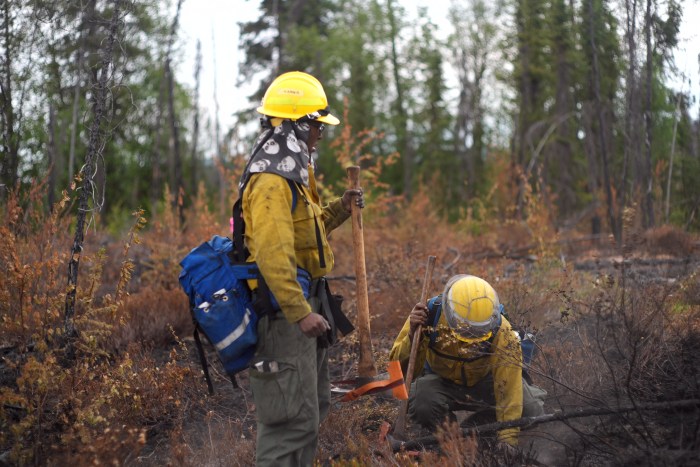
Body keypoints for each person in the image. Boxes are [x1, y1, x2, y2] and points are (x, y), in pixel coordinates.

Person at [238, 71, 363, 467]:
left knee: (310, 413)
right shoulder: (272, 181)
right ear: (296, 124)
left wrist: (341, 208)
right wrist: (299, 312)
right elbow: (274, 256)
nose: (321, 134)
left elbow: (303, 237)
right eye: (316, 125)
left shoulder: (292, 173)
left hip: (302, 308)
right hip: (284, 317)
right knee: (289, 422)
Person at [389, 274, 546, 448]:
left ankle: (477, 429)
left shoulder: (503, 331)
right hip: (442, 382)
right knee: (422, 402)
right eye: (466, 330)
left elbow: (509, 389)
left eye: (478, 332)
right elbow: (398, 371)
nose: (471, 338)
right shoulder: (428, 315)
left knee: (531, 410)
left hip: (486, 383)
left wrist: (507, 439)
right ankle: (450, 440)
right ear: (450, 313)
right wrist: (413, 336)